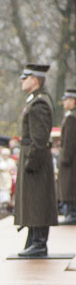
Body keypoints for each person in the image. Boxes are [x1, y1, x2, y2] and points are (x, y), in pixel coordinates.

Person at [14, 63, 57, 256]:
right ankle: (34, 239)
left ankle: (39, 243)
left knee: (38, 200)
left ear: (35, 80)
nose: (23, 81)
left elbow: (39, 139)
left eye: (26, 77)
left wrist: (31, 161)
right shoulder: (34, 100)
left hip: (36, 158)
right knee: (32, 201)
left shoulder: (39, 102)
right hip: (32, 155)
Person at [57, 88, 76, 225]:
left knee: (69, 187)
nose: (64, 102)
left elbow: (69, 141)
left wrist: (64, 158)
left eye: (67, 100)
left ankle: (72, 213)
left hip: (70, 161)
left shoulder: (71, 118)